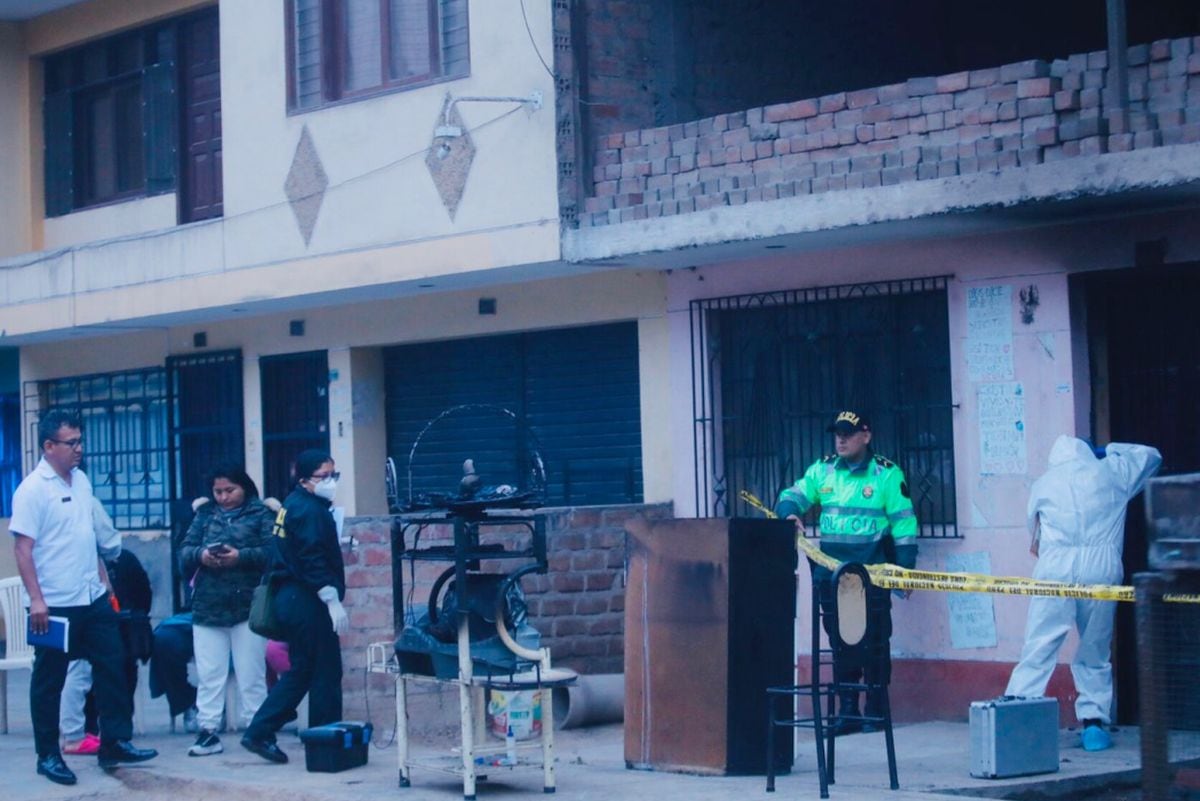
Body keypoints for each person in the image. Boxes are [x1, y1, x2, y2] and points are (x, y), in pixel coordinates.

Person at [10, 409, 157, 786]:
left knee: (113, 666)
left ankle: (115, 742)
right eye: (71, 442)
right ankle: (49, 755)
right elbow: (23, 550)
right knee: (50, 679)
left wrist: (104, 582)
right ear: (48, 446)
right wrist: (37, 599)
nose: (79, 449)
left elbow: (85, 537)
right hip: (53, 604)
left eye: (80, 441)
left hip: (91, 598)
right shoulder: (32, 490)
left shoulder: (81, 481)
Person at [1004, 436, 1161, 752]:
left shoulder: (1044, 483)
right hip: (1100, 568)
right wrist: (1110, 451)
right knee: (1094, 648)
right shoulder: (1111, 472)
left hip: (1055, 567)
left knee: (1040, 643)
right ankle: (1093, 724)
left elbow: (1033, 533)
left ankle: (1014, 718)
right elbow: (1151, 456)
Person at [774, 410, 917, 734]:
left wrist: (905, 571)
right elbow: (791, 495)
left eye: (848, 433)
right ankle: (848, 712)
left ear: (866, 435)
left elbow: (905, 524)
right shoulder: (823, 470)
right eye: (837, 433)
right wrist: (788, 514)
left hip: (872, 575)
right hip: (833, 576)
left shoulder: (886, 474)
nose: (841, 439)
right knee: (842, 643)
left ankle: (876, 710)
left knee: (876, 641)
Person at [241, 449, 347, 763]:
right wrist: (331, 599)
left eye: (333, 475)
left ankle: (260, 731)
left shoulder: (294, 504)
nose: (330, 481)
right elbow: (312, 558)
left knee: (303, 669)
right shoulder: (310, 510)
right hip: (307, 599)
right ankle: (326, 744)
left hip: (293, 598)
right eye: (323, 476)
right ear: (304, 480)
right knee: (325, 671)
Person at [178, 464, 276, 756]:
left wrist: (240, 557)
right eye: (217, 491)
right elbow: (185, 550)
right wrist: (202, 555)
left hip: (248, 606)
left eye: (229, 490)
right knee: (210, 674)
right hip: (208, 606)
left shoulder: (261, 513)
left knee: (252, 674)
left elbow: (273, 552)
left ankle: (259, 732)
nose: (223, 497)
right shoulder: (204, 514)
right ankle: (207, 732)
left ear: (244, 487)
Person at [61, 547, 152, 756]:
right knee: (79, 672)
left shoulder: (125, 560)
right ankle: (80, 734)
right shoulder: (81, 555)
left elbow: (144, 595)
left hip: (114, 626)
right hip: (86, 617)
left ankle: (98, 732)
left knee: (98, 670)